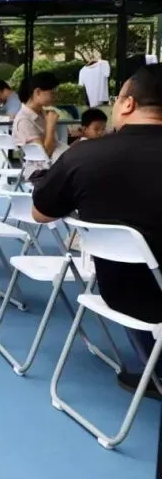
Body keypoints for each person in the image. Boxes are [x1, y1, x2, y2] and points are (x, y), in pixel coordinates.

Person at [31, 65, 162, 398]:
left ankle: (155, 370)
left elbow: (40, 213)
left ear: (128, 104)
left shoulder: (83, 155)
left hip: (119, 293)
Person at [12, 71, 61, 180]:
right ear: (38, 92)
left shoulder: (42, 113)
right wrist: (50, 126)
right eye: (52, 93)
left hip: (57, 166)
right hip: (41, 172)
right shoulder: (24, 120)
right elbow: (44, 155)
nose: (55, 97)